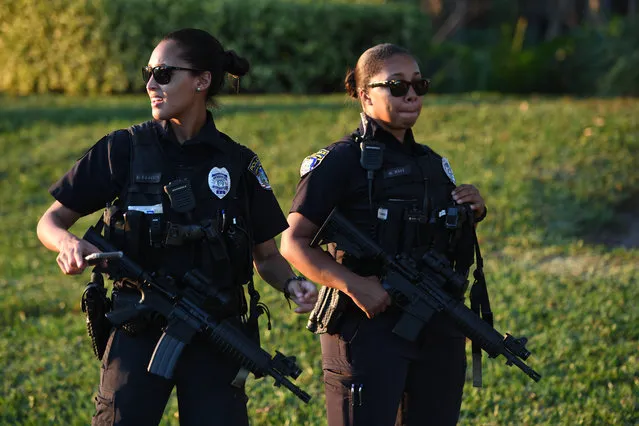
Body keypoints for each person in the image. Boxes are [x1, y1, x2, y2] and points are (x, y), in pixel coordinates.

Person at [36, 28, 317, 426]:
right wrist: (67, 243)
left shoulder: (238, 163)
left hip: (216, 330)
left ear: (202, 81)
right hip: (137, 326)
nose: (151, 84)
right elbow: (50, 221)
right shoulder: (123, 149)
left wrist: (290, 285)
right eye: (149, 73)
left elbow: (267, 256)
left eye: (164, 73)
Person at [280, 43, 487, 426]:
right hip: (367, 329)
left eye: (418, 85)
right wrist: (353, 284)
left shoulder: (433, 163)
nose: (410, 94)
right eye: (396, 85)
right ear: (364, 95)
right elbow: (293, 242)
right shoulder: (340, 161)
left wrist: (470, 212)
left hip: (435, 326)